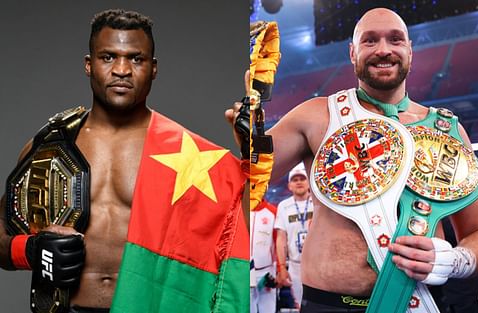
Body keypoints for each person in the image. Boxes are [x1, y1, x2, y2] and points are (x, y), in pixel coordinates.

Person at [226, 7, 478, 313]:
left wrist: (455, 260)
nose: (383, 50)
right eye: (370, 41)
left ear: (410, 50)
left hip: (417, 302)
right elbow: (251, 177)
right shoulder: (316, 116)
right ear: (352, 53)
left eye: (395, 39)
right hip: (326, 305)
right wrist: (248, 134)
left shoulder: (447, 132)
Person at [0, 9, 248, 313]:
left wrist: (254, 150)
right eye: (108, 57)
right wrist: (30, 250)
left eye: (135, 58)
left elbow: (242, 227)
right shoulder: (50, 148)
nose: (121, 70)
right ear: (88, 66)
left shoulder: (190, 156)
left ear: (153, 68)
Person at [275, 163, 314, 309]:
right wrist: (282, 267)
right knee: (300, 305)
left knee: (317, 304)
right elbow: (281, 238)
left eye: (302, 178)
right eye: (295, 179)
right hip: (295, 265)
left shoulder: (318, 203)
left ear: (308, 183)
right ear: (289, 185)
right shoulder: (284, 206)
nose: (298, 182)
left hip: (316, 264)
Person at [251, 198, 278, 313]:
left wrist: (280, 270)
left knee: (268, 309)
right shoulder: (240, 210)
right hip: (245, 272)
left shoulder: (272, 211)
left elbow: (279, 242)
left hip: (266, 271)